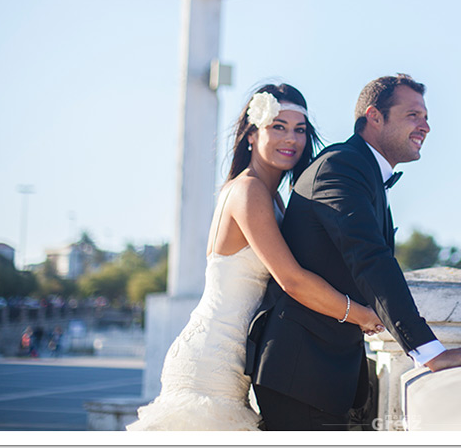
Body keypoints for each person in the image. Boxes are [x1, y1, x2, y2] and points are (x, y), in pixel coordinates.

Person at [247, 74, 461, 431]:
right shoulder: (341, 166)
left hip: (318, 375)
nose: (426, 127)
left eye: (427, 117)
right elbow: (370, 258)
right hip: (301, 372)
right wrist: (430, 352)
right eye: (413, 115)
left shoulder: (361, 170)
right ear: (375, 117)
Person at [127, 84, 384, 432]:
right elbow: (291, 279)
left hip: (234, 362)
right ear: (251, 133)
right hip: (211, 359)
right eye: (278, 126)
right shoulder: (249, 192)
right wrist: (361, 315)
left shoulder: (273, 197)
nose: (291, 139)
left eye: (300, 130)